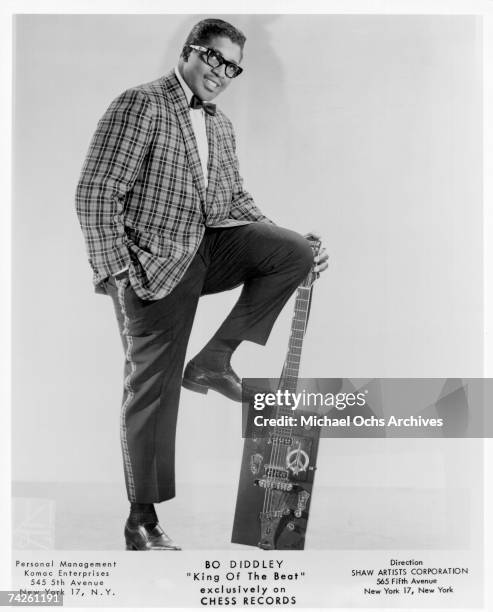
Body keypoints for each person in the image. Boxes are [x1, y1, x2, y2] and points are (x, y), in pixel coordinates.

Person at [75, 18, 328, 551]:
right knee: (153, 391)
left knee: (294, 253)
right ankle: (141, 520)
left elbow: (233, 204)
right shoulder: (140, 103)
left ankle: (214, 360)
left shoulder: (220, 126)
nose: (220, 73)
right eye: (214, 58)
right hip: (151, 268)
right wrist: (117, 273)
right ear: (190, 52)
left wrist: (285, 239)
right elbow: (95, 192)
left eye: (231, 67)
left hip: (205, 251)